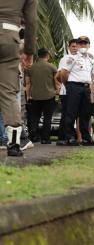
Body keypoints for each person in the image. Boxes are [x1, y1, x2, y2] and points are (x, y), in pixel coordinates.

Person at [0, 0, 37, 156]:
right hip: (9, 38)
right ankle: (14, 144)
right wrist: (29, 50)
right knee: (8, 93)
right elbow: (31, 20)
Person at [60, 36, 94, 146]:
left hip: (85, 88)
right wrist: (68, 85)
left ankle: (86, 138)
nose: (83, 45)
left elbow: (92, 77)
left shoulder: (90, 60)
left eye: (85, 43)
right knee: (71, 113)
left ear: (89, 45)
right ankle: (70, 137)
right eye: (81, 43)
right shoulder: (72, 58)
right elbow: (63, 73)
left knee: (85, 114)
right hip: (74, 87)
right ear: (77, 45)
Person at [25, 48, 58, 144]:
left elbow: (28, 83)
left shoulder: (31, 68)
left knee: (34, 117)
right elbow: (56, 82)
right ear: (47, 55)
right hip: (49, 96)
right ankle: (45, 138)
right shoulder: (52, 67)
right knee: (47, 118)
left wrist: (28, 96)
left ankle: (33, 135)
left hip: (34, 96)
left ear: (38, 56)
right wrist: (57, 92)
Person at [56, 39, 79, 145]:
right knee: (66, 115)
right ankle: (63, 137)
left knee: (73, 115)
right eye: (73, 46)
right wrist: (67, 85)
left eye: (76, 46)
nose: (75, 48)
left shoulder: (81, 59)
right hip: (66, 91)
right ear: (69, 47)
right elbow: (59, 75)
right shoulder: (65, 59)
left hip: (76, 91)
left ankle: (70, 136)